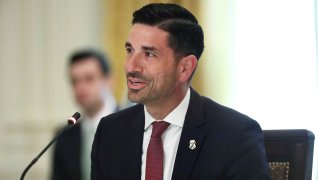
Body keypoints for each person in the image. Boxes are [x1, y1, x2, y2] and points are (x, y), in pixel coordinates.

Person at [91, 3, 271, 180]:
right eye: (130, 50)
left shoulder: (234, 134)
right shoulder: (110, 132)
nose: (131, 66)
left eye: (149, 54)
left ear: (185, 68)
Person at [52, 49, 118, 180]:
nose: (80, 87)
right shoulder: (64, 135)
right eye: (74, 81)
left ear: (109, 80)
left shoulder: (133, 124)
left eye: (89, 79)